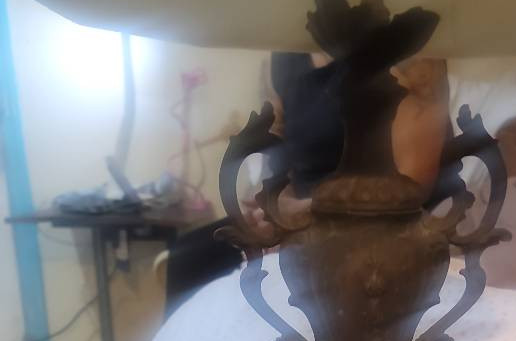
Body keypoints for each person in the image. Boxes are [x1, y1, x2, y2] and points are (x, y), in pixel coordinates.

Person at [165, 52, 451, 313]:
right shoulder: (286, 57)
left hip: (376, 220)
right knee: (185, 262)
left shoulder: (406, 53)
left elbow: (413, 183)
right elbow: (282, 147)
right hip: (298, 220)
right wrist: (274, 202)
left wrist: (303, 212)